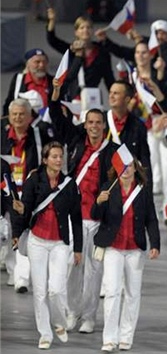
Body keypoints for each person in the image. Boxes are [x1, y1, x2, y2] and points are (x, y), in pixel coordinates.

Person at [47, 79, 116, 333]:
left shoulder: (113, 151)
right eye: (90, 122)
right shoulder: (76, 142)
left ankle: (89, 316)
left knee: (94, 270)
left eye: (99, 123)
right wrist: (55, 92)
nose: (94, 126)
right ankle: (72, 311)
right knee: (72, 266)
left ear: (104, 126)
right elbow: (56, 117)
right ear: (85, 125)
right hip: (74, 217)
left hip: (98, 219)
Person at [11, 141, 82, 349]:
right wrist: (16, 233)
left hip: (60, 243)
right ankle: (45, 334)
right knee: (40, 291)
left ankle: (59, 322)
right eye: (54, 156)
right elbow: (24, 210)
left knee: (56, 289)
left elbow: (76, 219)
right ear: (45, 160)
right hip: (37, 242)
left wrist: (77, 248)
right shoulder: (34, 179)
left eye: (61, 156)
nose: (59, 160)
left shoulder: (69, 184)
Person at [92, 158, 160, 352]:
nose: (126, 170)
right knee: (112, 292)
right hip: (113, 247)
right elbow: (96, 214)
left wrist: (155, 244)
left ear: (135, 168)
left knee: (132, 294)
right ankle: (109, 338)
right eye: (122, 166)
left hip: (135, 249)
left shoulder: (143, 190)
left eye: (129, 166)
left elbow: (151, 219)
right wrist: (98, 201)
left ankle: (126, 337)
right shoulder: (108, 188)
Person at [1, 98, 55, 293]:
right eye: (14, 114)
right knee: (6, 231)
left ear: (30, 115)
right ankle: (13, 269)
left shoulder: (39, 135)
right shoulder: (2, 135)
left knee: (22, 230)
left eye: (22, 114)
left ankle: (21, 278)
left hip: (28, 190)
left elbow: (50, 158)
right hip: (5, 188)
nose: (18, 117)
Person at [46, 8, 115, 100]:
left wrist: (115, 94)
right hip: (73, 97)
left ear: (92, 31)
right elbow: (52, 40)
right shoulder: (71, 50)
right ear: (76, 32)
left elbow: (109, 78)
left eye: (89, 27)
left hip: (92, 97)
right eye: (82, 28)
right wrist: (52, 20)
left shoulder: (102, 52)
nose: (85, 30)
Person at [3, 48, 53, 116]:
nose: (41, 65)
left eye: (44, 62)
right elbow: (9, 102)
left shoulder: (53, 81)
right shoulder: (18, 79)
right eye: (37, 62)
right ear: (28, 64)